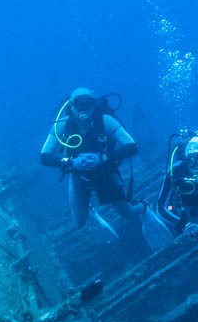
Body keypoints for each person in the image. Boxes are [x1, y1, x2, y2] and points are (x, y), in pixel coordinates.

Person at [40, 88, 146, 249]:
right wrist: (70, 163)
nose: (84, 110)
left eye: (88, 105)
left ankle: (144, 207)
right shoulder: (62, 125)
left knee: (128, 213)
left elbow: (132, 147)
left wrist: (103, 158)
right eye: (80, 105)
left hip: (106, 173)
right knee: (79, 223)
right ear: (72, 107)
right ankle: (88, 209)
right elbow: (45, 156)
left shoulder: (106, 121)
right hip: (78, 176)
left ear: (95, 105)